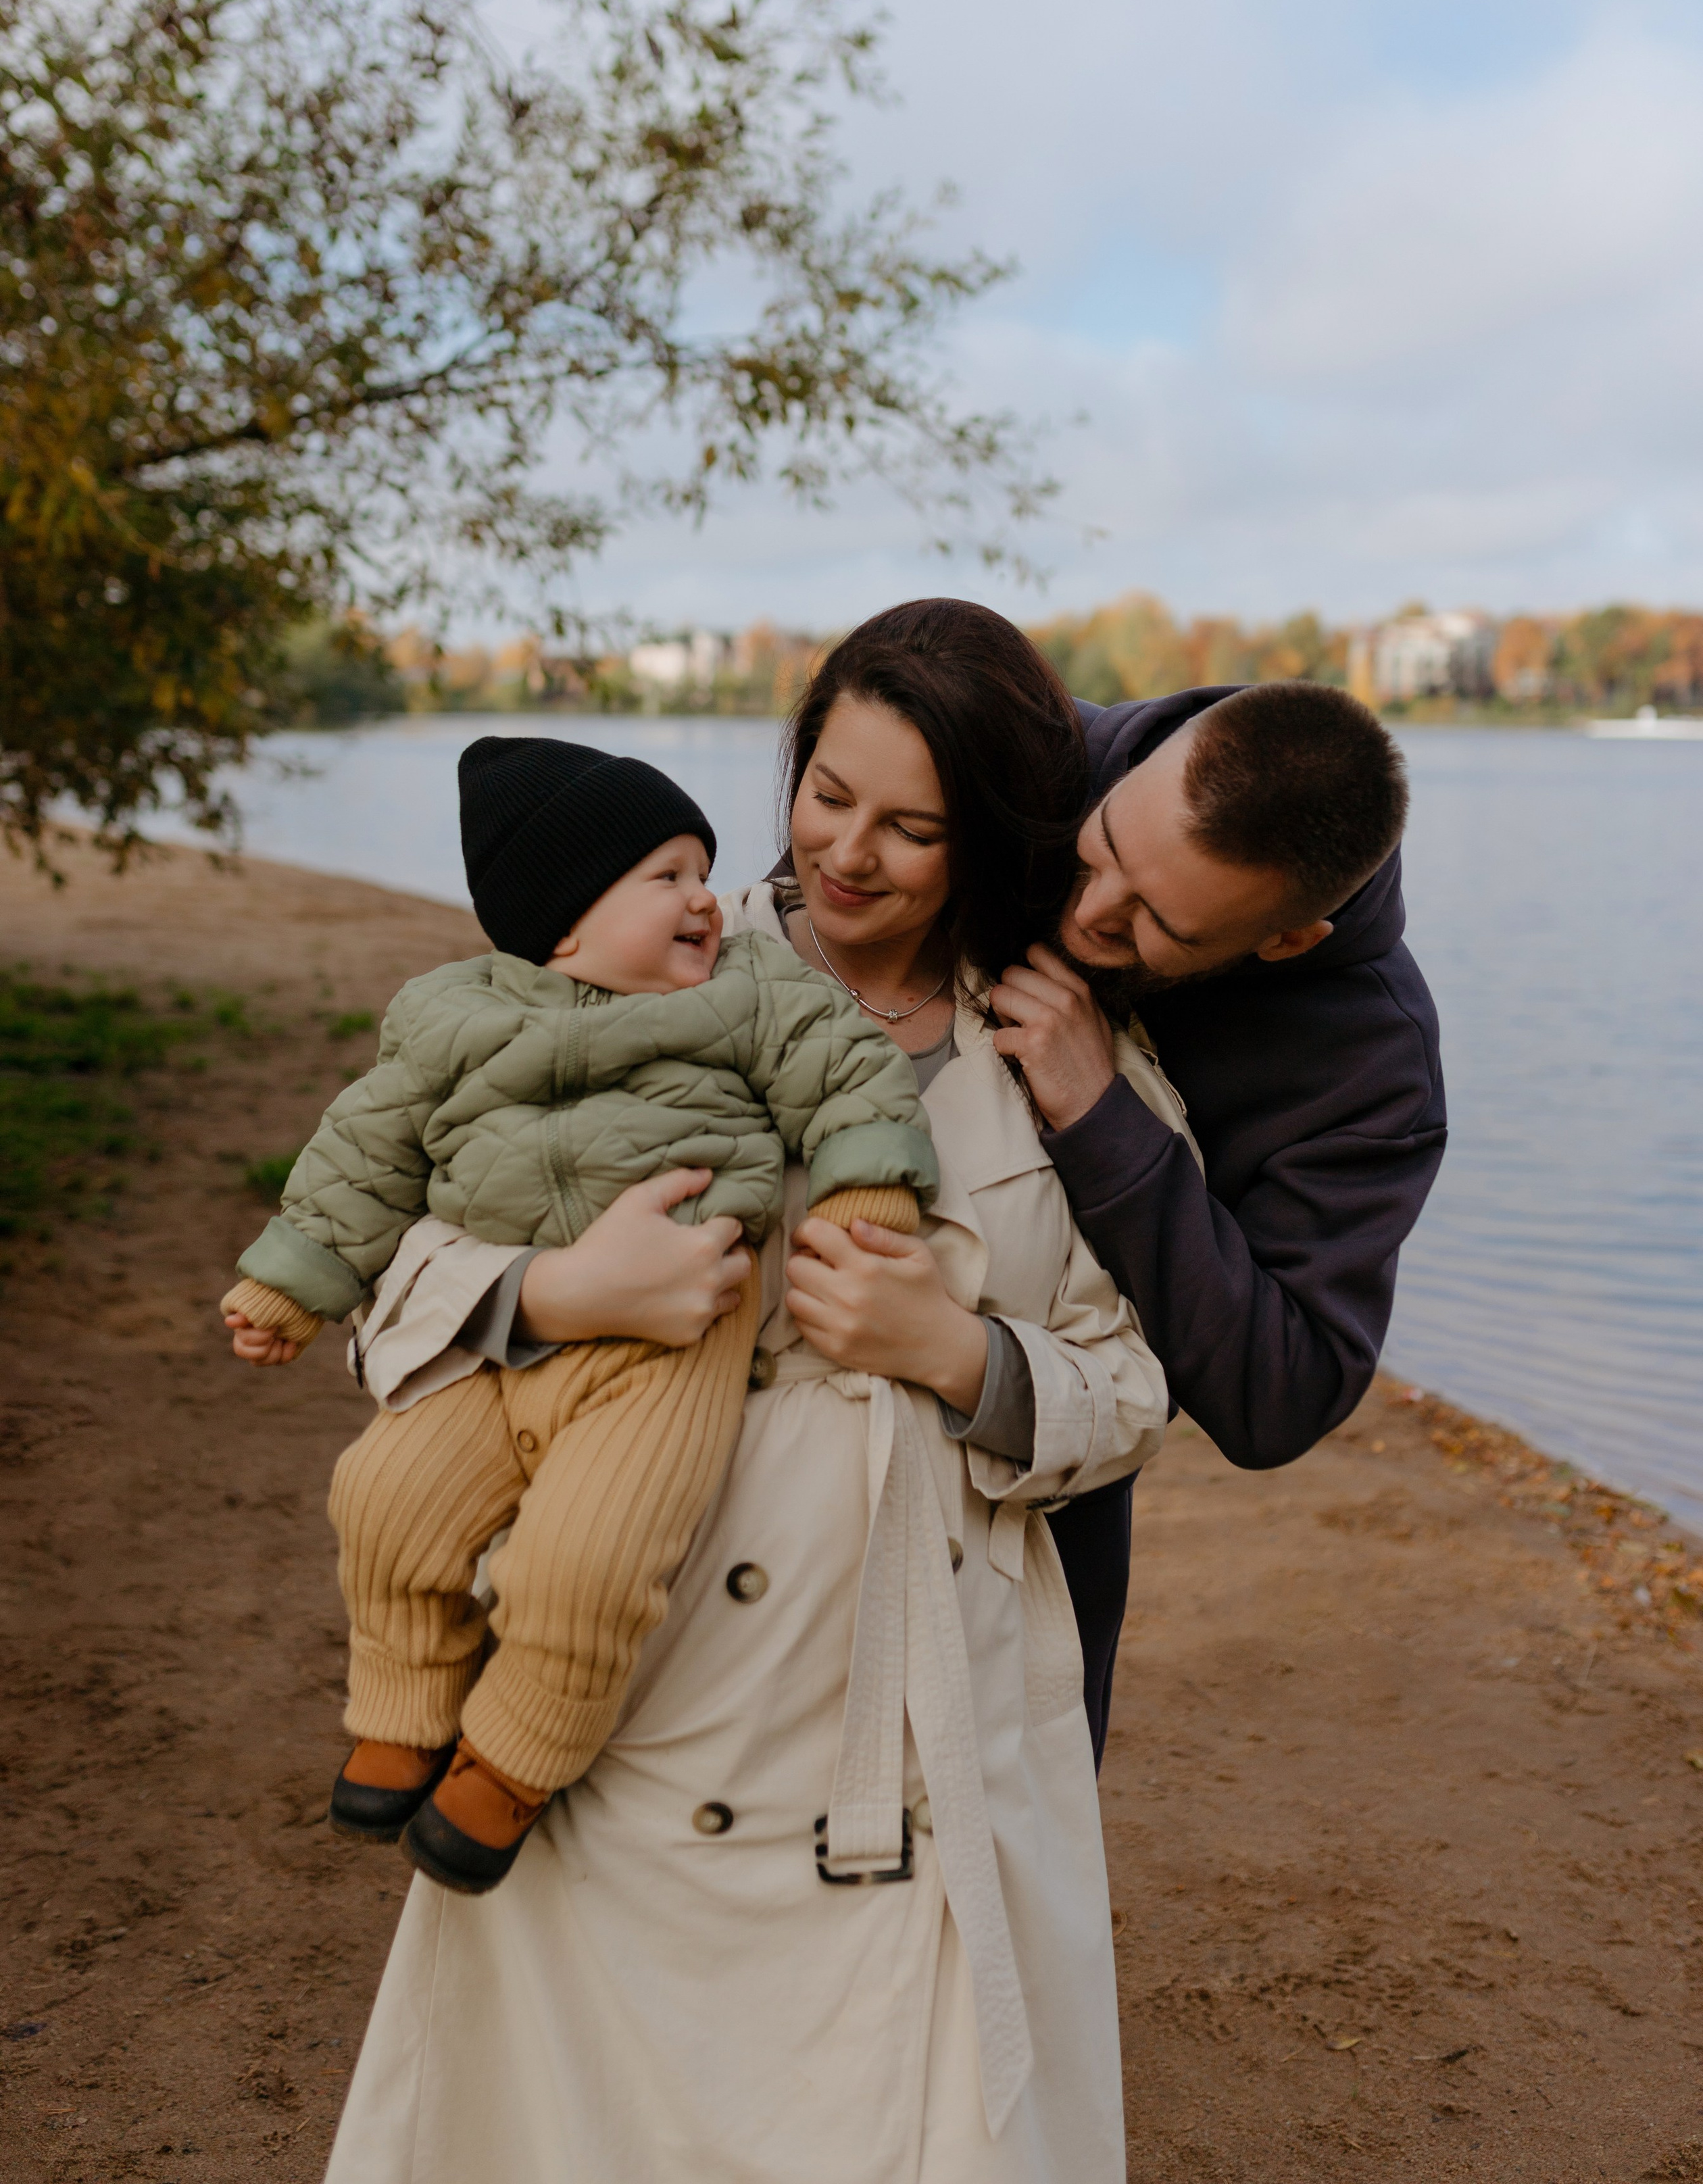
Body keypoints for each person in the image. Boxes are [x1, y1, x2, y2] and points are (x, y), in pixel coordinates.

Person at [325, 601, 1179, 2183]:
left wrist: (963, 1358)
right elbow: (380, 1276)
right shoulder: (626, 953)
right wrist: (549, 1294)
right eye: (824, 793)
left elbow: (1135, 1383)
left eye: (910, 826)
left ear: (980, 834)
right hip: (625, 1683)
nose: (848, 854)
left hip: (914, 1722)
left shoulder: (1059, 1051)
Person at [220, 737, 935, 1893]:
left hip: (675, 1340)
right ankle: (405, 1708)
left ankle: (511, 1760)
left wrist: (866, 1186)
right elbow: (362, 1152)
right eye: (666, 875)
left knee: (589, 1556)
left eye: (705, 867)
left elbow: (846, 1067)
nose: (706, 896)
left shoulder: (751, 986)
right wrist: (295, 1281)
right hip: (503, 1345)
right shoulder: (449, 1014)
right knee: (383, 1498)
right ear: (562, 919)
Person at [987, 678, 1447, 1761]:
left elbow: (1282, 1392)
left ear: (1287, 941)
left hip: (1050, 1501)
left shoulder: (1373, 1069)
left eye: (1159, 922)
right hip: (789, 1396)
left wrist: (1106, 1121)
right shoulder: (1017, 755)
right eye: (1101, 851)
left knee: (1008, 1891)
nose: (1090, 913)